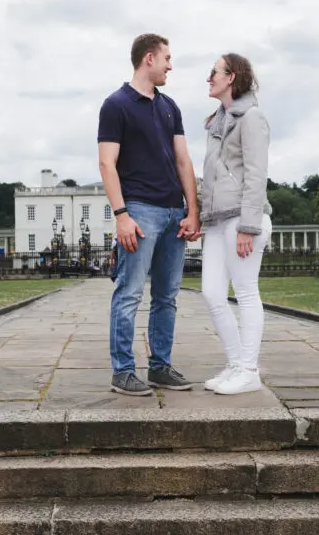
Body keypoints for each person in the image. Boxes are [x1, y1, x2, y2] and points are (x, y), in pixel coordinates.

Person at [97, 33, 202, 396]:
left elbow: (183, 161)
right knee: (129, 294)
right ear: (148, 59)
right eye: (167, 58)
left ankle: (159, 367)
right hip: (140, 211)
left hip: (174, 212)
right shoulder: (116, 105)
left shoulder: (170, 106)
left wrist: (192, 211)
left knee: (167, 297)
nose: (171, 65)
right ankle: (123, 371)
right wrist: (121, 215)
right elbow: (107, 164)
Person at [199, 53, 273, 395]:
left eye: (213, 72)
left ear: (231, 77)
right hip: (217, 221)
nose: (209, 78)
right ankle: (235, 363)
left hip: (243, 219)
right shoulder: (216, 122)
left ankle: (249, 369)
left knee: (245, 291)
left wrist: (248, 225)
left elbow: (257, 175)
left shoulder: (251, 117)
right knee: (212, 293)